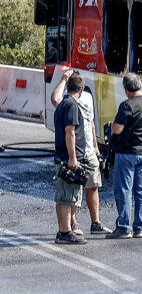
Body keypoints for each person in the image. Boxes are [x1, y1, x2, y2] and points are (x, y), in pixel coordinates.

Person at [50, 70, 112, 236]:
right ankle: (71, 225)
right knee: (71, 188)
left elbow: (91, 122)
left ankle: (95, 222)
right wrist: (64, 79)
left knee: (92, 185)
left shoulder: (87, 97)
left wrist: (96, 147)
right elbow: (55, 100)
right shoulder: (67, 100)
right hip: (74, 150)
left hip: (88, 149)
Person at [106, 73, 142, 240]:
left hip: (127, 153)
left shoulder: (126, 106)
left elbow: (117, 129)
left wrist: (111, 125)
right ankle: (140, 228)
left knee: (124, 189)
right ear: (140, 85)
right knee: (141, 190)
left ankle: (124, 227)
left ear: (126, 89)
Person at [52, 73, 88, 244]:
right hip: (67, 158)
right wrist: (73, 158)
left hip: (61, 157)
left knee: (63, 196)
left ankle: (63, 232)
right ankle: (65, 232)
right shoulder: (72, 106)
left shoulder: (62, 104)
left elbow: (55, 97)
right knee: (67, 198)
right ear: (81, 89)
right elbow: (70, 132)